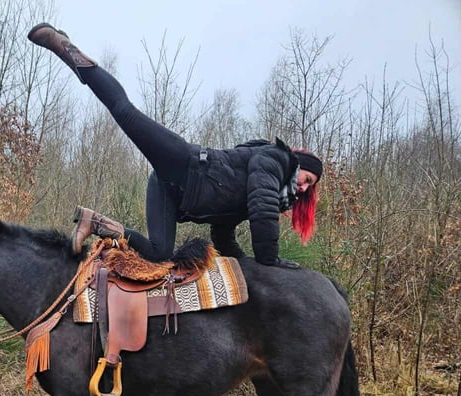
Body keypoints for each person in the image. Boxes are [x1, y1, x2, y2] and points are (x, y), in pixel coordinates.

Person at [28, 23, 323, 268]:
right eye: (307, 179)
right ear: (298, 164)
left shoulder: (249, 194)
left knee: (159, 254)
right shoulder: (276, 160)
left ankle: (95, 223)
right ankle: (65, 49)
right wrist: (269, 261)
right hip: (186, 165)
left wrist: (247, 266)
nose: (303, 187)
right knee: (125, 112)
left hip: (170, 191)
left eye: (309, 187)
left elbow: (222, 233)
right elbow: (262, 208)